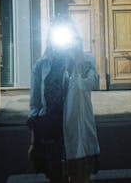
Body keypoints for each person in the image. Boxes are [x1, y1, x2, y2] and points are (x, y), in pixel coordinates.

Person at [28, 17, 100, 183]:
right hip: (50, 132)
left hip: (77, 132)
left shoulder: (85, 60)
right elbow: (35, 106)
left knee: (80, 178)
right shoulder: (42, 65)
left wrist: (78, 57)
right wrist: (33, 141)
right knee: (55, 177)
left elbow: (92, 83)